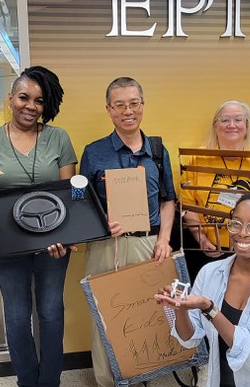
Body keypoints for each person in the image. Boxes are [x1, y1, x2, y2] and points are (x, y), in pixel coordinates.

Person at [0, 66, 77, 387]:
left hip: (52, 241)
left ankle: (50, 382)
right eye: (23, 97)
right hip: (7, 241)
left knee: (51, 312)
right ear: (10, 99)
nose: (31, 106)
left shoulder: (58, 138)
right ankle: (28, 382)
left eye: (39, 100)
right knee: (17, 316)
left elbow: (69, 193)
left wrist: (66, 237)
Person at [79, 76, 175, 387]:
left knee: (147, 316)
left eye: (134, 103)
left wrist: (164, 240)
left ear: (143, 105)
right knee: (105, 315)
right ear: (109, 109)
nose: (128, 111)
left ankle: (143, 375)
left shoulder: (158, 151)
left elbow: (168, 200)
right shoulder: (94, 152)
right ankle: (107, 381)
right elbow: (81, 203)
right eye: (119, 105)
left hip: (148, 244)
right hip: (106, 246)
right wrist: (100, 222)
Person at [155, 193, 250, 387]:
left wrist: (210, 309)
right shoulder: (210, 273)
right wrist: (180, 309)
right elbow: (188, 339)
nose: (242, 233)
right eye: (236, 223)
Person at [180, 101, 250, 278]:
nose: (232, 125)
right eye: (225, 120)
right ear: (215, 126)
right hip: (206, 250)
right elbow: (187, 205)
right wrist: (201, 238)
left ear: (246, 125)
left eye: (238, 119)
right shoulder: (196, 159)